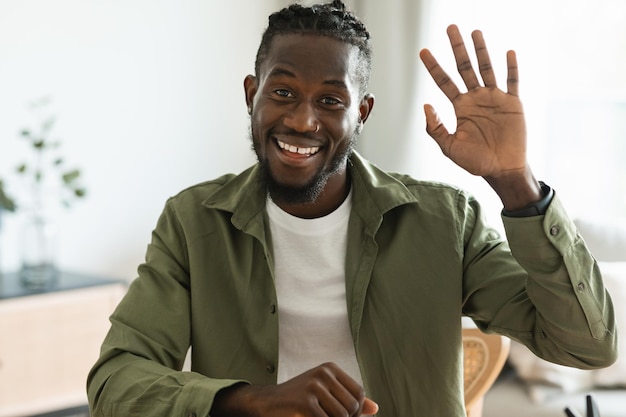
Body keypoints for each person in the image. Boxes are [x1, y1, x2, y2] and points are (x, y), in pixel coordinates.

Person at [87, 1, 618, 416]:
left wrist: (516, 184)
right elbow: (115, 382)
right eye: (283, 92)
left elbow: (586, 346)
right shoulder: (192, 221)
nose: (301, 121)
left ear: (361, 112)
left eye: (331, 100)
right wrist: (247, 401)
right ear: (252, 94)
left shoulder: (445, 222)